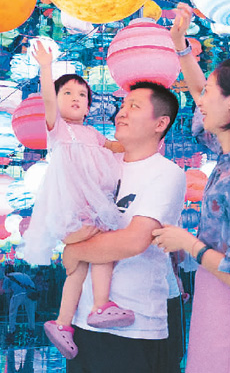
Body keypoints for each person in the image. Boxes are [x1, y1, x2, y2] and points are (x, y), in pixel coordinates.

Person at [152, 2, 230, 373]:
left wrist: (187, 242)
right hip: (213, 308)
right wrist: (180, 46)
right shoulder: (229, 157)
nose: (200, 100)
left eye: (210, 92)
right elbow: (200, 95)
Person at [62, 81, 186, 373]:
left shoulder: (166, 173)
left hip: (135, 325)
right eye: (122, 105)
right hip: (82, 320)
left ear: (160, 123)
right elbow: (72, 220)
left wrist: (75, 251)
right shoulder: (103, 165)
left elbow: (133, 241)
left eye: (134, 106)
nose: (121, 112)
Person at [23, 40, 132, 359]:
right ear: (56, 102)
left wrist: (139, 133)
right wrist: (46, 68)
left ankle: (64, 322)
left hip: (94, 208)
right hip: (73, 212)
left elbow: (117, 148)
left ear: (88, 106)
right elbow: (47, 98)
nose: (75, 98)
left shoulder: (94, 135)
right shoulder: (58, 130)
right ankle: (100, 305)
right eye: (67, 93)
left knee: (82, 266)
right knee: (100, 252)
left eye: (82, 95)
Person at [2, 264, 37, 344]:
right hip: (29, 295)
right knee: (31, 314)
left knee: (12, 313)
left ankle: (12, 331)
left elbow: (5, 290)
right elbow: (32, 286)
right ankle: (31, 330)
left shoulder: (8, 277)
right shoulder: (25, 275)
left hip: (17, 295)